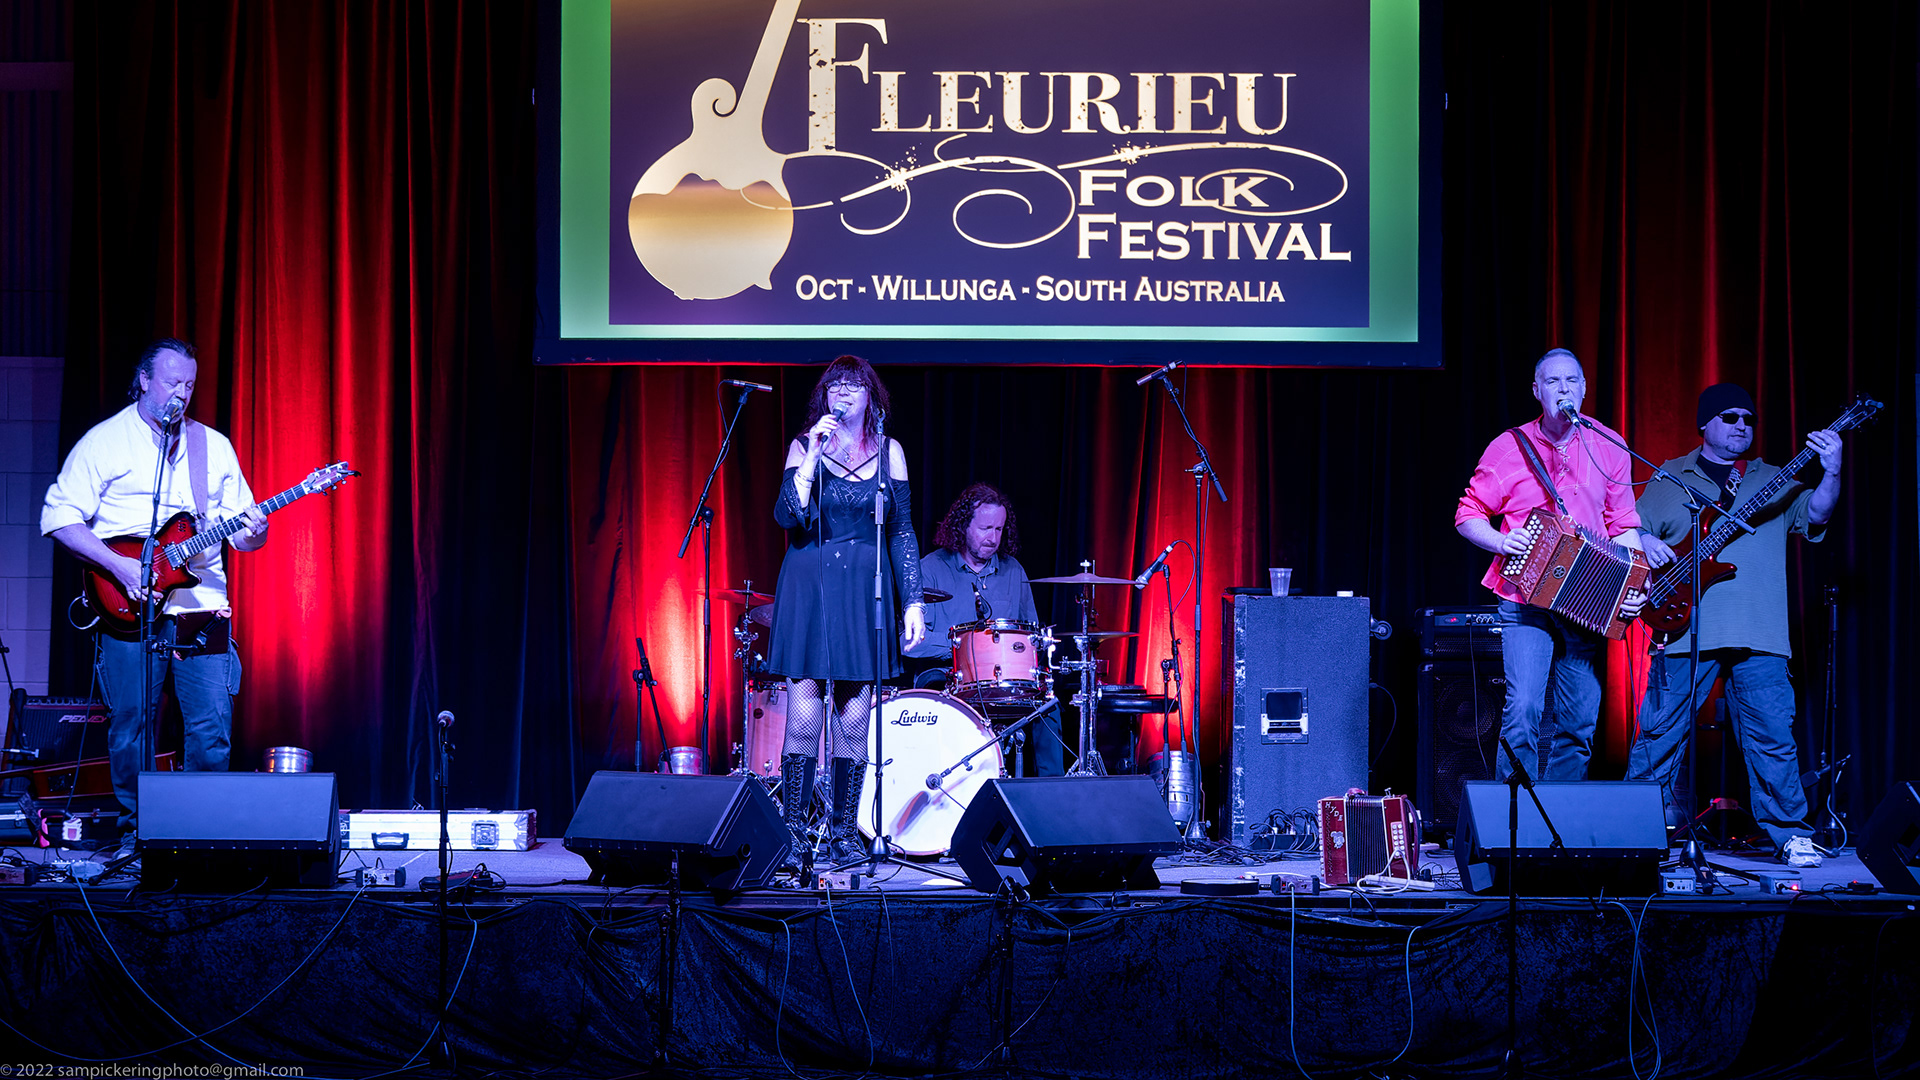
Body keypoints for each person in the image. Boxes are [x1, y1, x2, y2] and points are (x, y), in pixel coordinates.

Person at [41, 339, 269, 847]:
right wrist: (118, 565)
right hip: (128, 605)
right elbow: (58, 518)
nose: (181, 394)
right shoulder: (105, 441)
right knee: (132, 727)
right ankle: (137, 833)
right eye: (171, 382)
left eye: (189, 385)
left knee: (211, 729)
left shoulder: (213, 446)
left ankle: (201, 835)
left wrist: (256, 531)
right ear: (144, 380)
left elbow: (242, 536)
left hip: (202, 608)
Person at [1625, 384, 1842, 868]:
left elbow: (1817, 513)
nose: (1742, 425)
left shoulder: (1774, 478)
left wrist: (1832, 469)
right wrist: (1642, 538)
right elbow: (1625, 528)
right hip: (1683, 628)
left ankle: (1791, 834)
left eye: (1748, 418)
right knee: (1659, 735)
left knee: (1772, 737)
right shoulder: (1670, 477)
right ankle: (1634, 832)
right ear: (1705, 423)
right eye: (1729, 417)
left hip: (1760, 631)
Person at [1455, 348, 1647, 781]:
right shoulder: (1508, 448)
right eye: (1554, 381)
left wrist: (1636, 585)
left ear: (1584, 388)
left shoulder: (1609, 445)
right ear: (1537, 391)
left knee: (1580, 721)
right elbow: (1467, 514)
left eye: (1572, 381)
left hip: (1586, 600)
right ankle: (1516, 813)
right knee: (1524, 708)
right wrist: (1502, 541)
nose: (1564, 389)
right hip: (1524, 598)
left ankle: (1558, 812)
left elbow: (1623, 524)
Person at [767, 355, 926, 867]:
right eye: (835, 384)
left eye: (854, 385)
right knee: (805, 714)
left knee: (854, 717)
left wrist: (914, 600)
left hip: (864, 590)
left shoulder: (889, 451)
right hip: (810, 587)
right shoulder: (804, 446)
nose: (843, 392)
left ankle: (842, 832)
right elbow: (787, 516)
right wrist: (811, 457)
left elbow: (901, 530)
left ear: (871, 396)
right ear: (824, 395)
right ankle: (793, 833)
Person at [906, 482, 1063, 776]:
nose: (993, 538)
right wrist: (967, 648)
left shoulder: (1013, 570)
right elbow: (910, 642)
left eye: (999, 529)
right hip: (947, 677)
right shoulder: (930, 569)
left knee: (1048, 706)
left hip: (1002, 680)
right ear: (963, 526)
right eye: (985, 528)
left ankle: (1052, 792)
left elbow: (1032, 636)